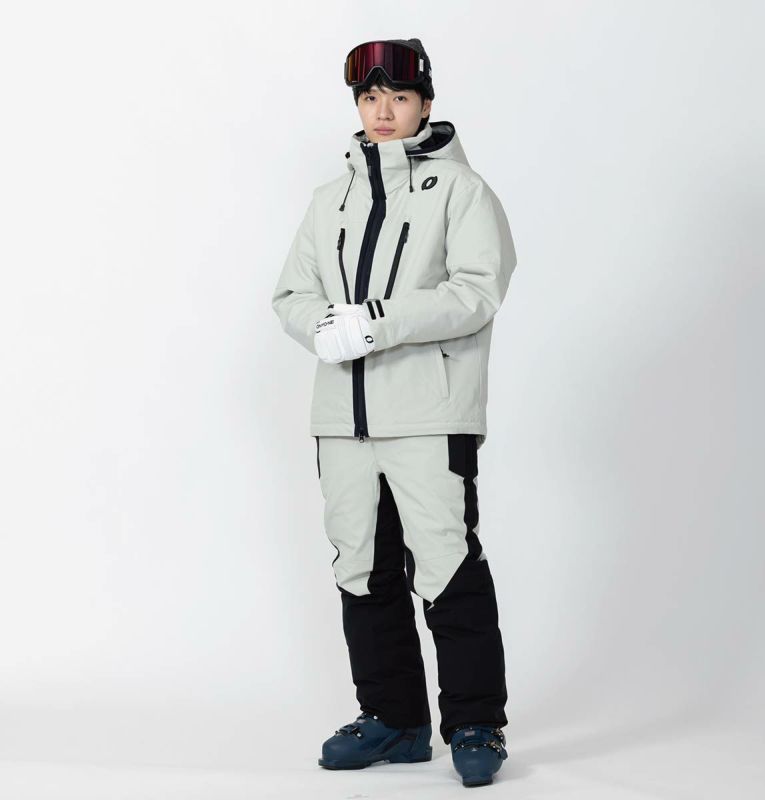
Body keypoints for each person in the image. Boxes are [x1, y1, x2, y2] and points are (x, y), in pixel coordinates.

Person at [271, 38, 517, 787]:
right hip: (342, 420)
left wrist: (379, 322)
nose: (383, 110)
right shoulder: (330, 199)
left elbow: (477, 290)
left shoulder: (461, 191)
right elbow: (291, 292)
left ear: (425, 104)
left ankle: (475, 722)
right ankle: (393, 720)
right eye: (370, 98)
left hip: (428, 414)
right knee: (360, 567)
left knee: (446, 563)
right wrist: (320, 325)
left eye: (399, 98)